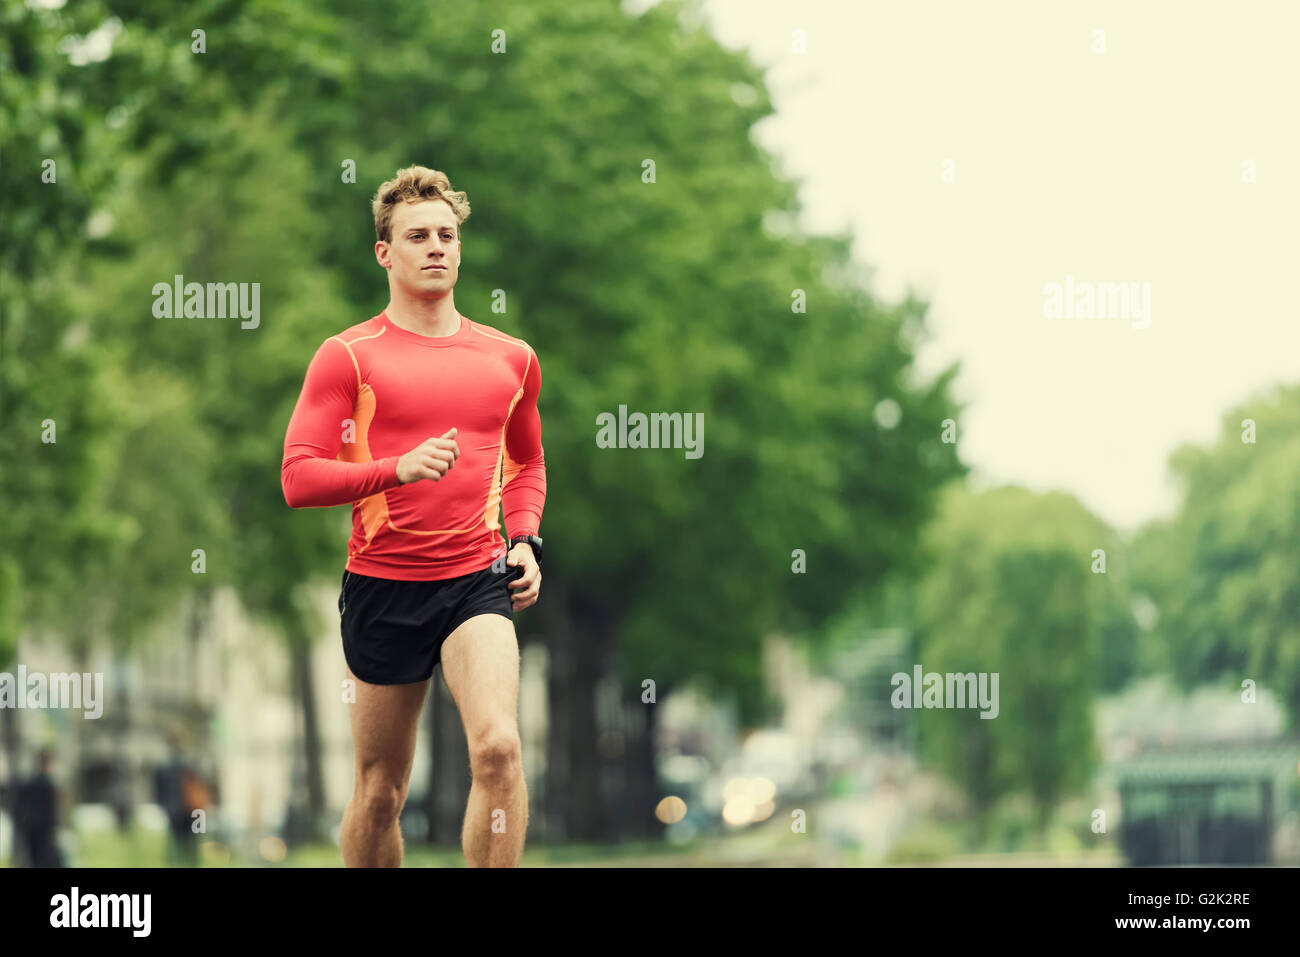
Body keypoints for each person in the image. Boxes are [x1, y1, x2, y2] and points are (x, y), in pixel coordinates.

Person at [281, 165, 546, 868]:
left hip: (476, 579)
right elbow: (299, 476)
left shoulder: (511, 358)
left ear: (461, 249)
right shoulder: (348, 357)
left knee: (498, 745)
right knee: (379, 793)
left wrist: (524, 539)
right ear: (384, 252)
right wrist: (393, 469)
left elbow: (527, 465)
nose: (435, 246)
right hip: (383, 582)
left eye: (447, 235)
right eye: (417, 235)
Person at [15, 748, 62, 867]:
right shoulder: (46, 784)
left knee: (35, 858)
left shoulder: (29, 782)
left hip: (31, 826)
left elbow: (21, 804)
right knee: (43, 858)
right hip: (42, 828)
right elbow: (50, 808)